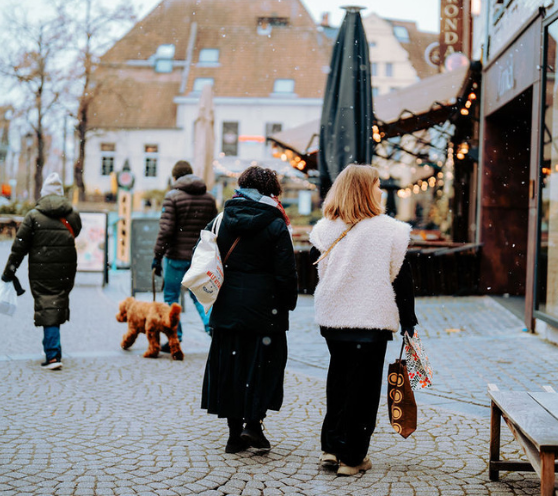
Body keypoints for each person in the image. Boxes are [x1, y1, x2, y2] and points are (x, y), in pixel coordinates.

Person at [309, 164, 417, 476]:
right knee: (364, 388)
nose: (381, 189)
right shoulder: (390, 231)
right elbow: (401, 281)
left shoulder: (326, 228)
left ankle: (331, 447)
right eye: (377, 184)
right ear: (366, 190)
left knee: (339, 380)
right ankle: (353, 457)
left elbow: (319, 272)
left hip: (334, 317)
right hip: (370, 319)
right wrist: (409, 322)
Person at [201, 166, 298, 454]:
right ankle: (253, 425)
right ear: (272, 192)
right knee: (262, 368)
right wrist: (287, 303)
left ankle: (234, 434)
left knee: (232, 368)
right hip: (264, 313)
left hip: (228, 307)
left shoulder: (220, 220)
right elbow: (286, 273)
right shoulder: (276, 224)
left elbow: (205, 258)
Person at [1, 172, 82, 370]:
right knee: (56, 302)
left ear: (43, 193)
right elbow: (77, 232)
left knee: (48, 304)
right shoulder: (71, 214)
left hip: (41, 267)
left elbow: (19, 247)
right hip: (66, 266)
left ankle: (53, 356)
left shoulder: (33, 217)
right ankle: (55, 350)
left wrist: (8, 273)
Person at [152, 160, 217, 341]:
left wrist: (157, 257)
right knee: (200, 295)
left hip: (175, 257)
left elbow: (166, 230)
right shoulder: (209, 198)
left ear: (175, 177)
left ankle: (175, 336)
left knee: (171, 297)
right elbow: (214, 229)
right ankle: (211, 326)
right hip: (200, 257)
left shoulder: (172, 197)